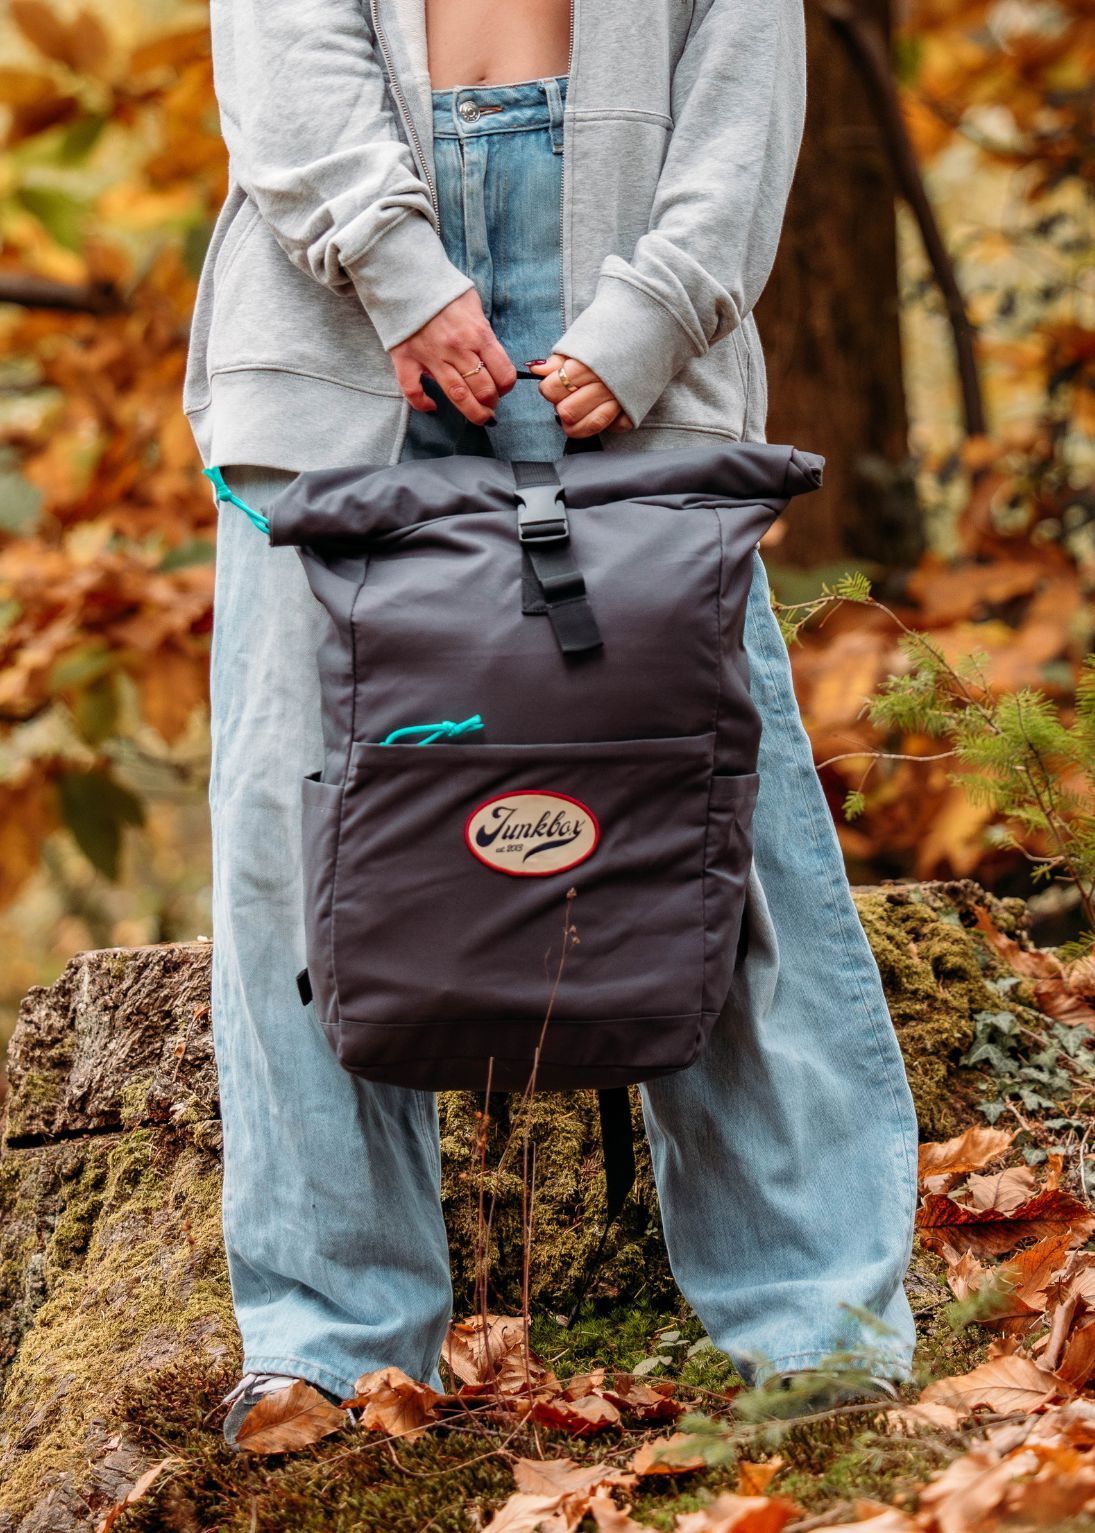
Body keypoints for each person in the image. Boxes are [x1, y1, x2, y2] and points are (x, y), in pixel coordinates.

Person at [183, 0, 921, 1447]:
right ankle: (336, 1353)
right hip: (336, 340)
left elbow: (743, 79)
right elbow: (277, 41)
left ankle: (821, 1336)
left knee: (728, 819)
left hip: (634, 317)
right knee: (297, 841)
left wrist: (655, 312)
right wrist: (398, 266)